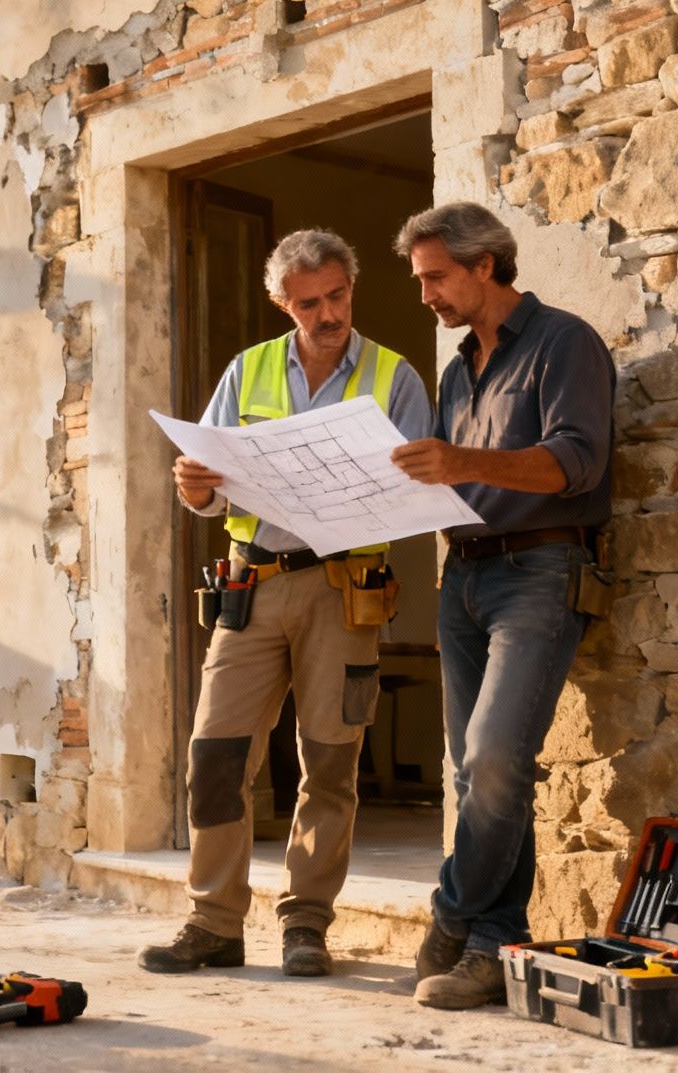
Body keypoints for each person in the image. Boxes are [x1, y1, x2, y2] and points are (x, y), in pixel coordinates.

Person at [140, 229, 432, 978]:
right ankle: (213, 923)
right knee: (215, 758)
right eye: (310, 303)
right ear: (282, 301)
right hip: (254, 585)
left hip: (345, 594)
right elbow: (207, 484)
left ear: (352, 286)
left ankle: (306, 924)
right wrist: (195, 489)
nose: (328, 313)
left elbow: (420, 490)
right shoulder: (249, 370)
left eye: (338, 295)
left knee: (331, 765)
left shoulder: (394, 376)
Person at [388, 202, 616, 1010]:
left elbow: (576, 463)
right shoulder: (457, 370)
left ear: (487, 265)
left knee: (492, 756)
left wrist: (459, 459)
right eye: (420, 280)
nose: (426, 296)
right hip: (464, 576)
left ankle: (452, 917)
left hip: (543, 571)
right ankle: (496, 946)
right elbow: (450, 475)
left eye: (436, 277)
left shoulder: (565, 342)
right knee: (477, 774)